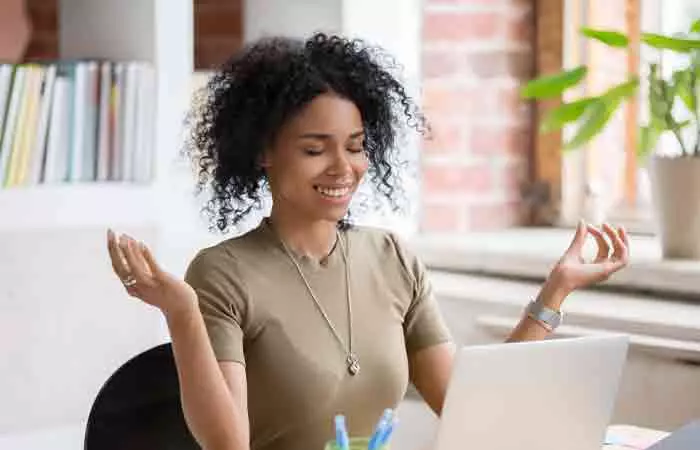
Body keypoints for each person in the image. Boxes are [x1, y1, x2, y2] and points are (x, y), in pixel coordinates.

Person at [106, 32, 630, 450]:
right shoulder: (223, 273)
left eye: (356, 147)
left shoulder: (392, 257)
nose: (344, 168)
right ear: (263, 151)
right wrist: (182, 314)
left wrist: (554, 293)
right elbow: (227, 443)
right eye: (316, 149)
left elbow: (470, 406)